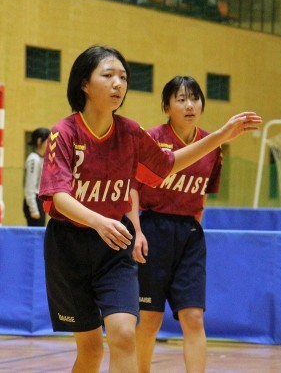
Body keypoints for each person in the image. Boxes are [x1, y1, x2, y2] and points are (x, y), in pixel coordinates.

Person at [38, 45, 261, 372]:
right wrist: (98, 221)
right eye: (108, 75)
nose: (118, 83)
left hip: (114, 246)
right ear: (84, 83)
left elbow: (166, 165)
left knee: (124, 334)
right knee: (91, 350)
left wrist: (220, 136)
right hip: (69, 246)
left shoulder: (130, 132)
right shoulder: (65, 132)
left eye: (123, 77)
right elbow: (58, 197)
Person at [129, 76, 221, 373]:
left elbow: (202, 194)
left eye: (194, 98)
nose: (189, 105)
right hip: (152, 230)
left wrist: (193, 227)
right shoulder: (151, 139)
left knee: (193, 317)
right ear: (166, 107)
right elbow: (131, 188)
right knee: (149, 318)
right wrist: (137, 231)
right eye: (181, 99)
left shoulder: (212, 146)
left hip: (190, 235)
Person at [23, 127, 50, 226]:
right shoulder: (34, 160)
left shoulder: (42, 159)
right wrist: (33, 209)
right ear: (39, 141)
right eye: (48, 140)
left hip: (40, 200)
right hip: (34, 201)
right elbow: (30, 187)